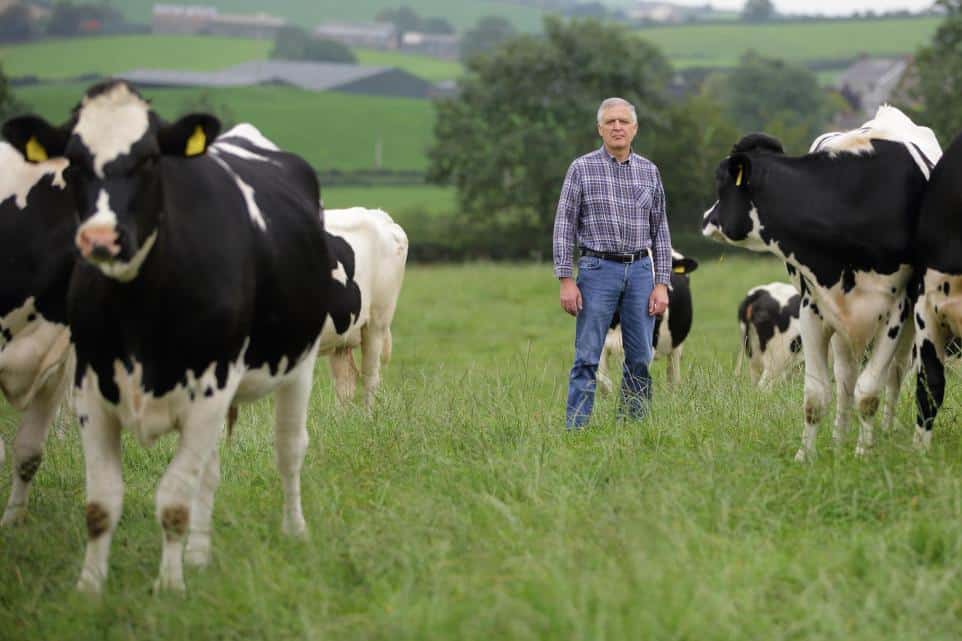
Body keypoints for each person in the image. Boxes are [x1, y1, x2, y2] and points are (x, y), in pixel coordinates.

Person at [553, 97, 672, 429]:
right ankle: (576, 429)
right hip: (596, 270)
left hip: (640, 271)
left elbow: (660, 230)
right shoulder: (581, 168)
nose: (617, 127)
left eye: (623, 121)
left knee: (640, 357)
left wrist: (662, 283)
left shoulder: (650, 171)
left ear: (634, 128)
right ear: (600, 129)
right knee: (588, 356)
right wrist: (565, 278)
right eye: (610, 122)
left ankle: (632, 427)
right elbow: (564, 224)